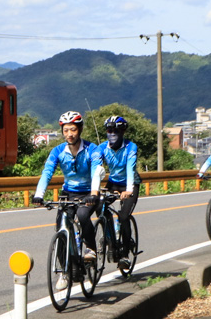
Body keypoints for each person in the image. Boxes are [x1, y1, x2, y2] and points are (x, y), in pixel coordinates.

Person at [33, 111, 99, 285]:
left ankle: (91, 249)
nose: (70, 134)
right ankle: (64, 273)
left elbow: (97, 171)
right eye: (66, 130)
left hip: (88, 193)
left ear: (80, 129)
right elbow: (47, 172)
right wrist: (39, 194)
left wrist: (94, 193)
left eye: (73, 130)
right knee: (62, 228)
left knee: (84, 216)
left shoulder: (92, 149)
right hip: (68, 192)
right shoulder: (57, 151)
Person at [92, 115, 139, 270]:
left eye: (116, 130)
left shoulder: (131, 147)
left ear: (123, 131)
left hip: (130, 184)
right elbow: (97, 169)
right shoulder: (102, 148)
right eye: (109, 130)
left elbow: (130, 169)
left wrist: (129, 190)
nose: (112, 133)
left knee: (124, 216)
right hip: (113, 183)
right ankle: (110, 238)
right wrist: (95, 189)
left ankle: (125, 254)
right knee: (99, 206)